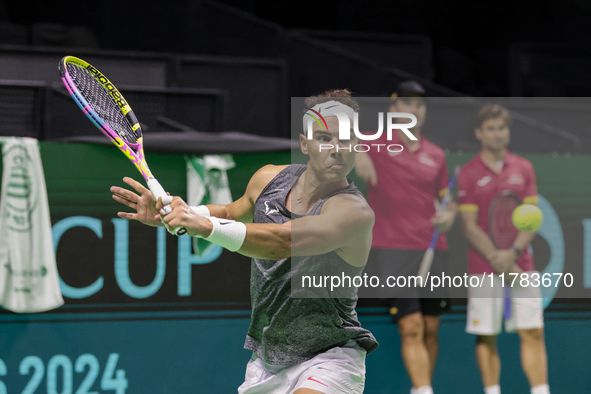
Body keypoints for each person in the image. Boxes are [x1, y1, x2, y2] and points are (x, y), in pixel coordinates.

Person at [110, 89, 378, 394]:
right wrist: (180, 214)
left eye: (346, 140)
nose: (337, 149)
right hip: (267, 360)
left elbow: (282, 242)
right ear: (304, 143)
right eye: (325, 138)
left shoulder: (353, 212)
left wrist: (204, 226)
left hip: (330, 356)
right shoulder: (268, 179)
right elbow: (229, 211)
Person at [355, 81, 457, 394]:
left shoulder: (436, 154)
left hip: (433, 247)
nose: (414, 109)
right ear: (393, 110)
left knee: (430, 327)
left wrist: (450, 215)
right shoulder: (375, 143)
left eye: (419, 105)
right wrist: (357, 152)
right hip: (393, 249)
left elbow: (447, 198)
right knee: (410, 325)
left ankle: (420, 388)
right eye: (407, 104)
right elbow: (341, 142)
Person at [457, 104, 550, 394]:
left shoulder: (524, 168)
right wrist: (498, 258)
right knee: (487, 335)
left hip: (521, 264)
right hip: (484, 268)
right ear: (479, 133)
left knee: (533, 331)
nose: (498, 134)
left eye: (502, 128)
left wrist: (512, 255)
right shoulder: (469, 173)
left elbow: (532, 219)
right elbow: (469, 226)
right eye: (491, 129)